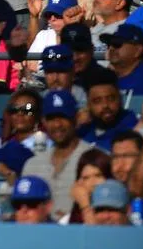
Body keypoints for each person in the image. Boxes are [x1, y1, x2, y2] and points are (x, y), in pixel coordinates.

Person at [22, 90, 96, 221]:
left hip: (80, 235)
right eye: (51, 118)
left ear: (76, 118)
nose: (57, 124)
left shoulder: (93, 159)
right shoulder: (32, 165)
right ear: (43, 121)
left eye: (63, 117)